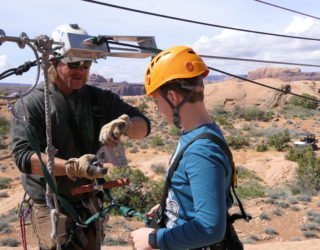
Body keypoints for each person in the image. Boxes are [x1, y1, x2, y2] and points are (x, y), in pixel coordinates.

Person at [11, 24, 151, 250]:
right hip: (53, 204)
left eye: (86, 65)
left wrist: (125, 124)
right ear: (54, 62)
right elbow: (24, 159)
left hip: (90, 201)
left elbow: (144, 126)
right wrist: (72, 167)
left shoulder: (99, 99)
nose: (81, 70)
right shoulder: (33, 104)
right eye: (73, 64)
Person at [130, 46, 233, 250]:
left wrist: (153, 239)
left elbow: (210, 228)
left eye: (157, 101)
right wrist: (171, 205)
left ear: (173, 97)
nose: (157, 109)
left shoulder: (201, 151)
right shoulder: (198, 133)